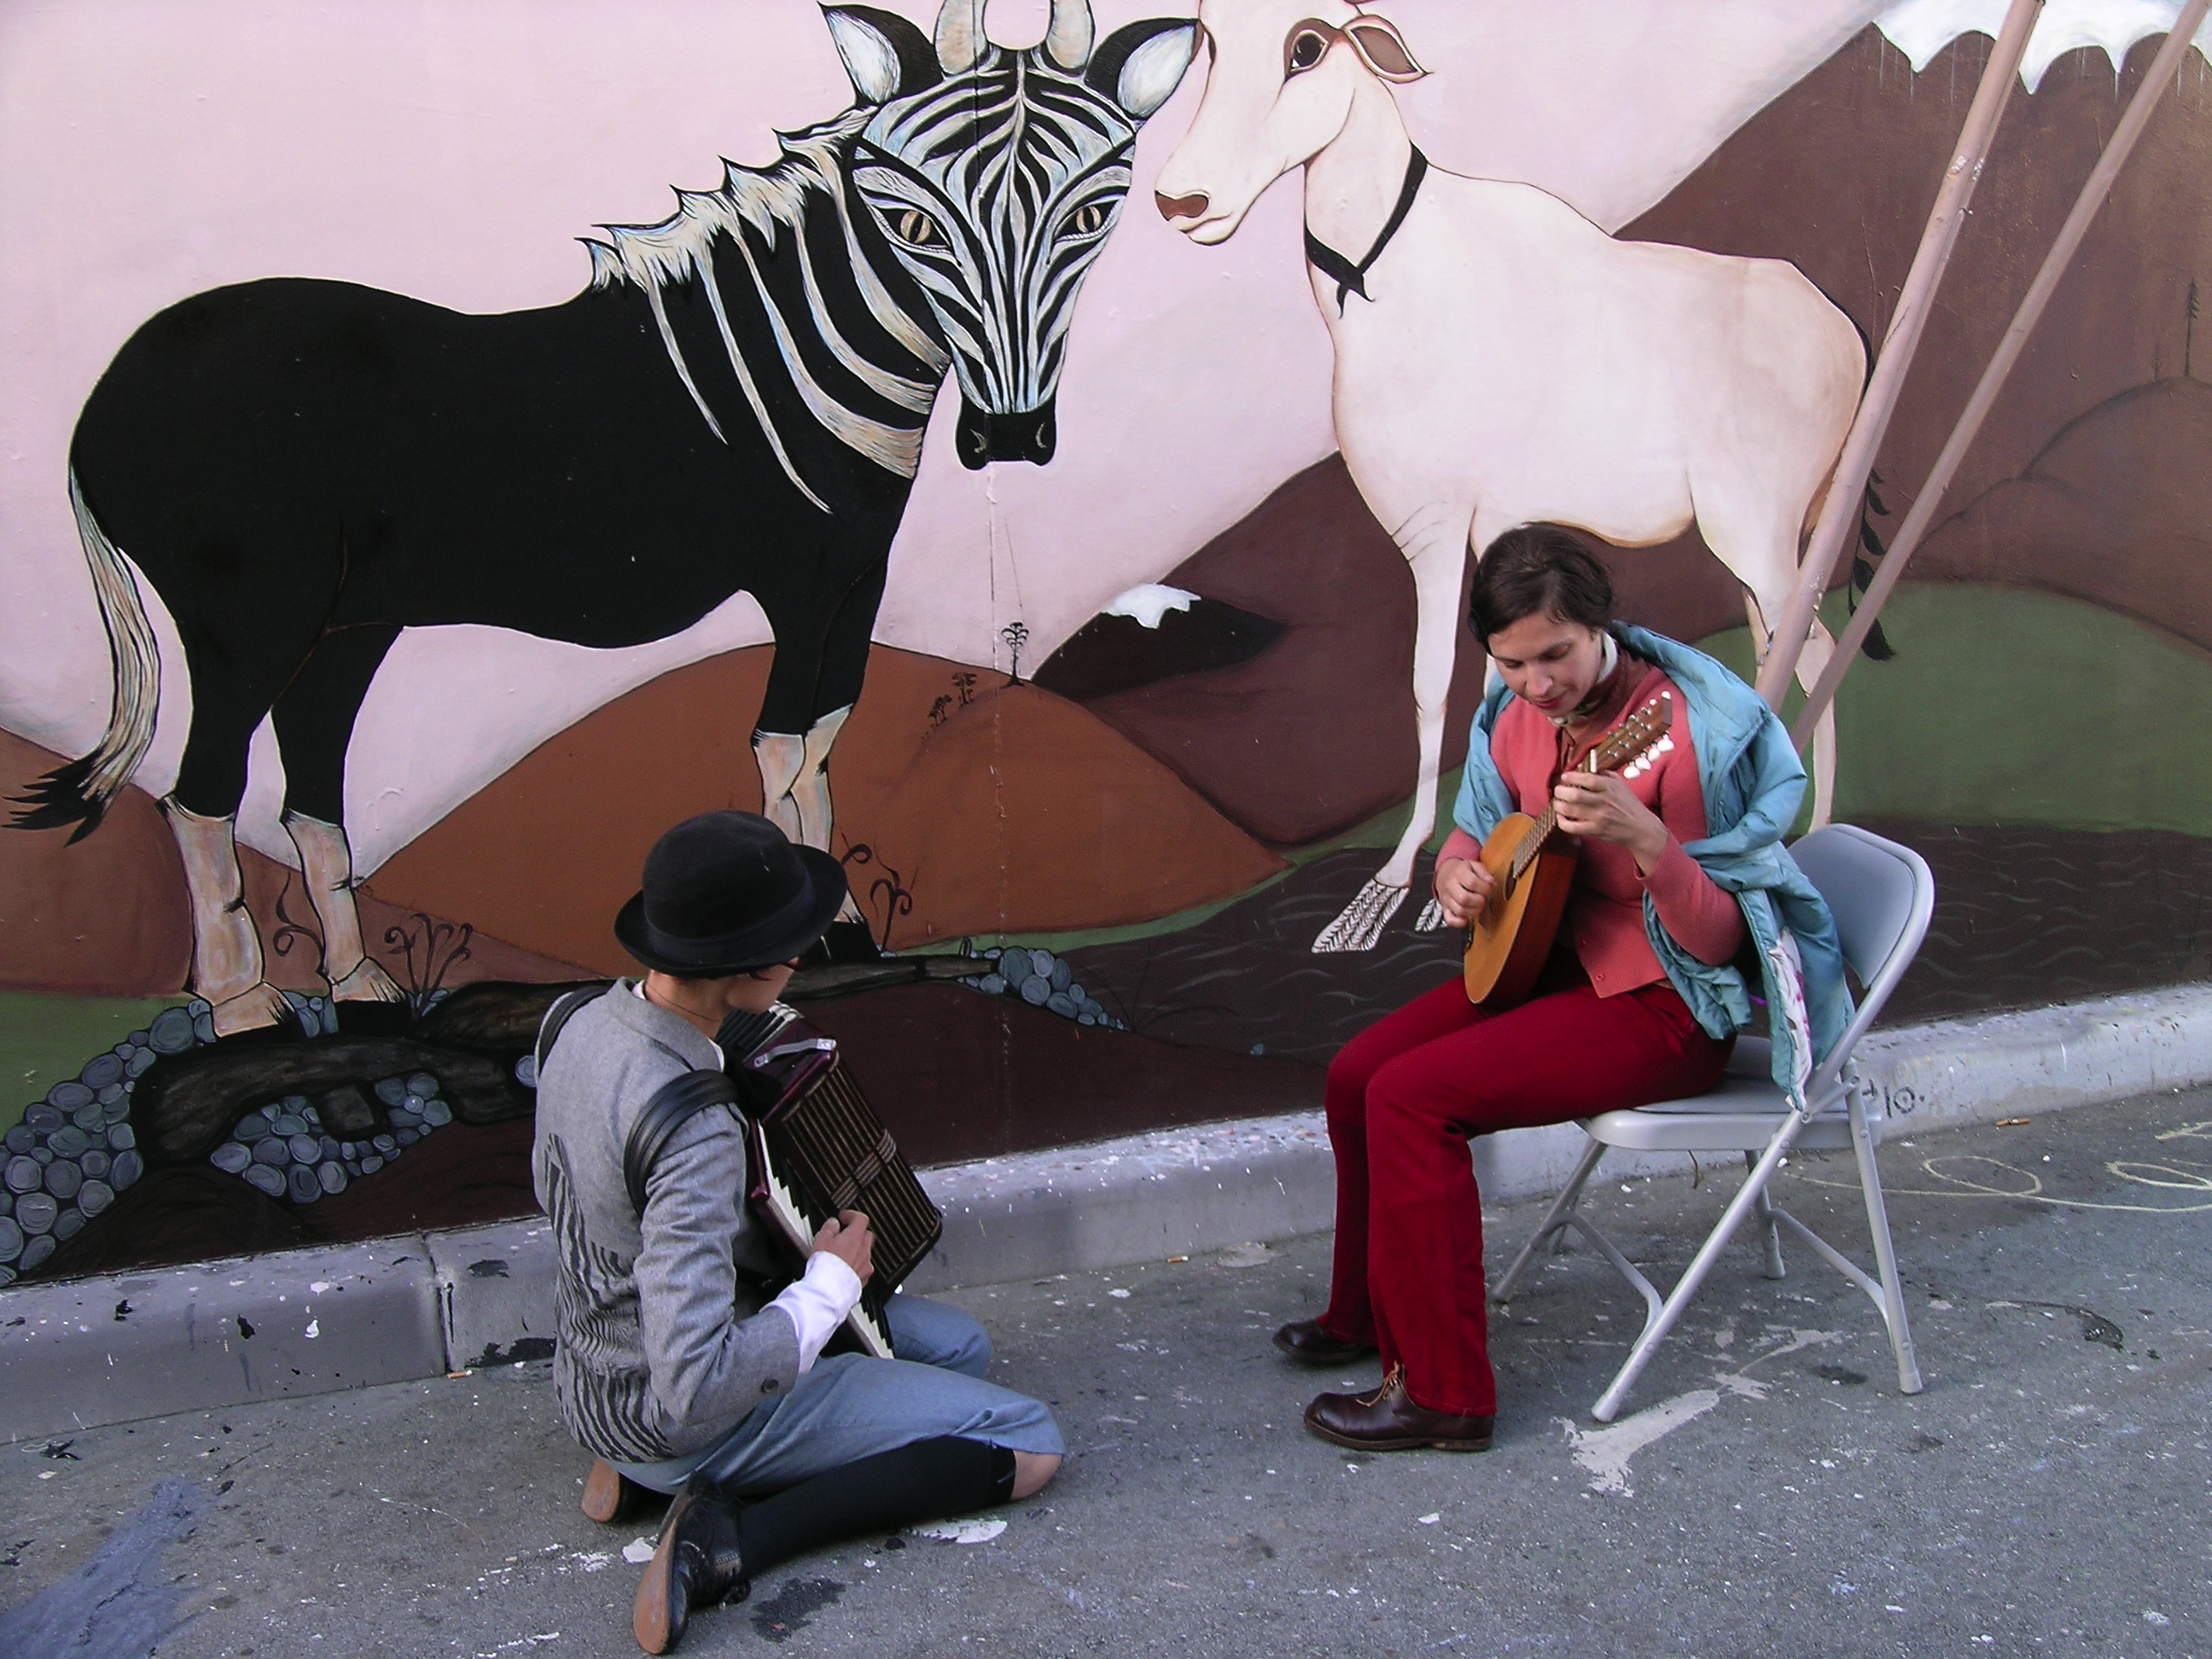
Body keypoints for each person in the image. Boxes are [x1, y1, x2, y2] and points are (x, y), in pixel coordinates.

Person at [1275, 524, 1850, 1451]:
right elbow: (1478, 826)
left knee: (1412, 1101)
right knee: (1356, 1075)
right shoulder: (1512, 717)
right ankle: (1372, 1313)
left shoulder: (1682, 731)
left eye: (1557, 655)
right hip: (1547, 966)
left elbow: (1718, 944)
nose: (1538, 684)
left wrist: (1650, 841)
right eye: (1513, 663)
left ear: (1599, 627)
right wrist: (1455, 873)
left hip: (1663, 1006)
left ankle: (1445, 1394)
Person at [532, 811, 1063, 1654]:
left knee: (960, 1349)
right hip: (675, 1413)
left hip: (593, 1379)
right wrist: (828, 1285)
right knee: (1026, 1443)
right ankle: (727, 1535)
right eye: (792, 944)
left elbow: (583, 1211)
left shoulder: (575, 1023)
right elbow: (695, 1383)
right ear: (745, 965)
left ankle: (641, 1474)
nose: (801, 959)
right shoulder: (692, 1129)